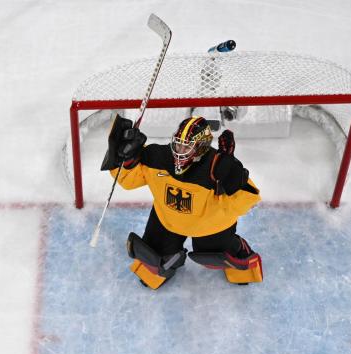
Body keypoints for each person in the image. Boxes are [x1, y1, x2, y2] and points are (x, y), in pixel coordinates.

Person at [101, 114, 263, 289]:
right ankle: (167, 261)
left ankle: (242, 258)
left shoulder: (217, 166)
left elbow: (249, 200)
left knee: (219, 255)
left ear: (200, 147)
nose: (179, 151)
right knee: (155, 260)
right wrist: (124, 159)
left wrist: (233, 174)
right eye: (177, 144)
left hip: (209, 225)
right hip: (168, 221)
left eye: (186, 148)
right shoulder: (158, 156)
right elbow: (128, 180)